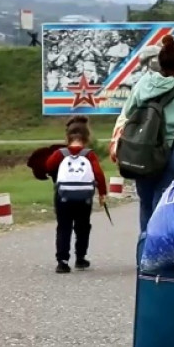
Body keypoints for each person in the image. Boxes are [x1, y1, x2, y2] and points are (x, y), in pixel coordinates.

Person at [109, 35, 174, 234]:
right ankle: (162, 251)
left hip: (142, 150)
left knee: (145, 202)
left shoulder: (142, 84)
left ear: (159, 62)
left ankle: (145, 252)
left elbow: (128, 112)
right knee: (166, 203)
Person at [45, 116, 107, 273]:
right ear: (87, 137)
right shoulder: (89, 154)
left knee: (63, 227)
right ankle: (80, 258)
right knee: (83, 226)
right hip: (84, 197)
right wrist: (102, 193)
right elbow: (98, 174)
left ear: (67, 136)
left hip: (63, 196)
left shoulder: (60, 154)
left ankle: (63, 261)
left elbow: (48, 166)